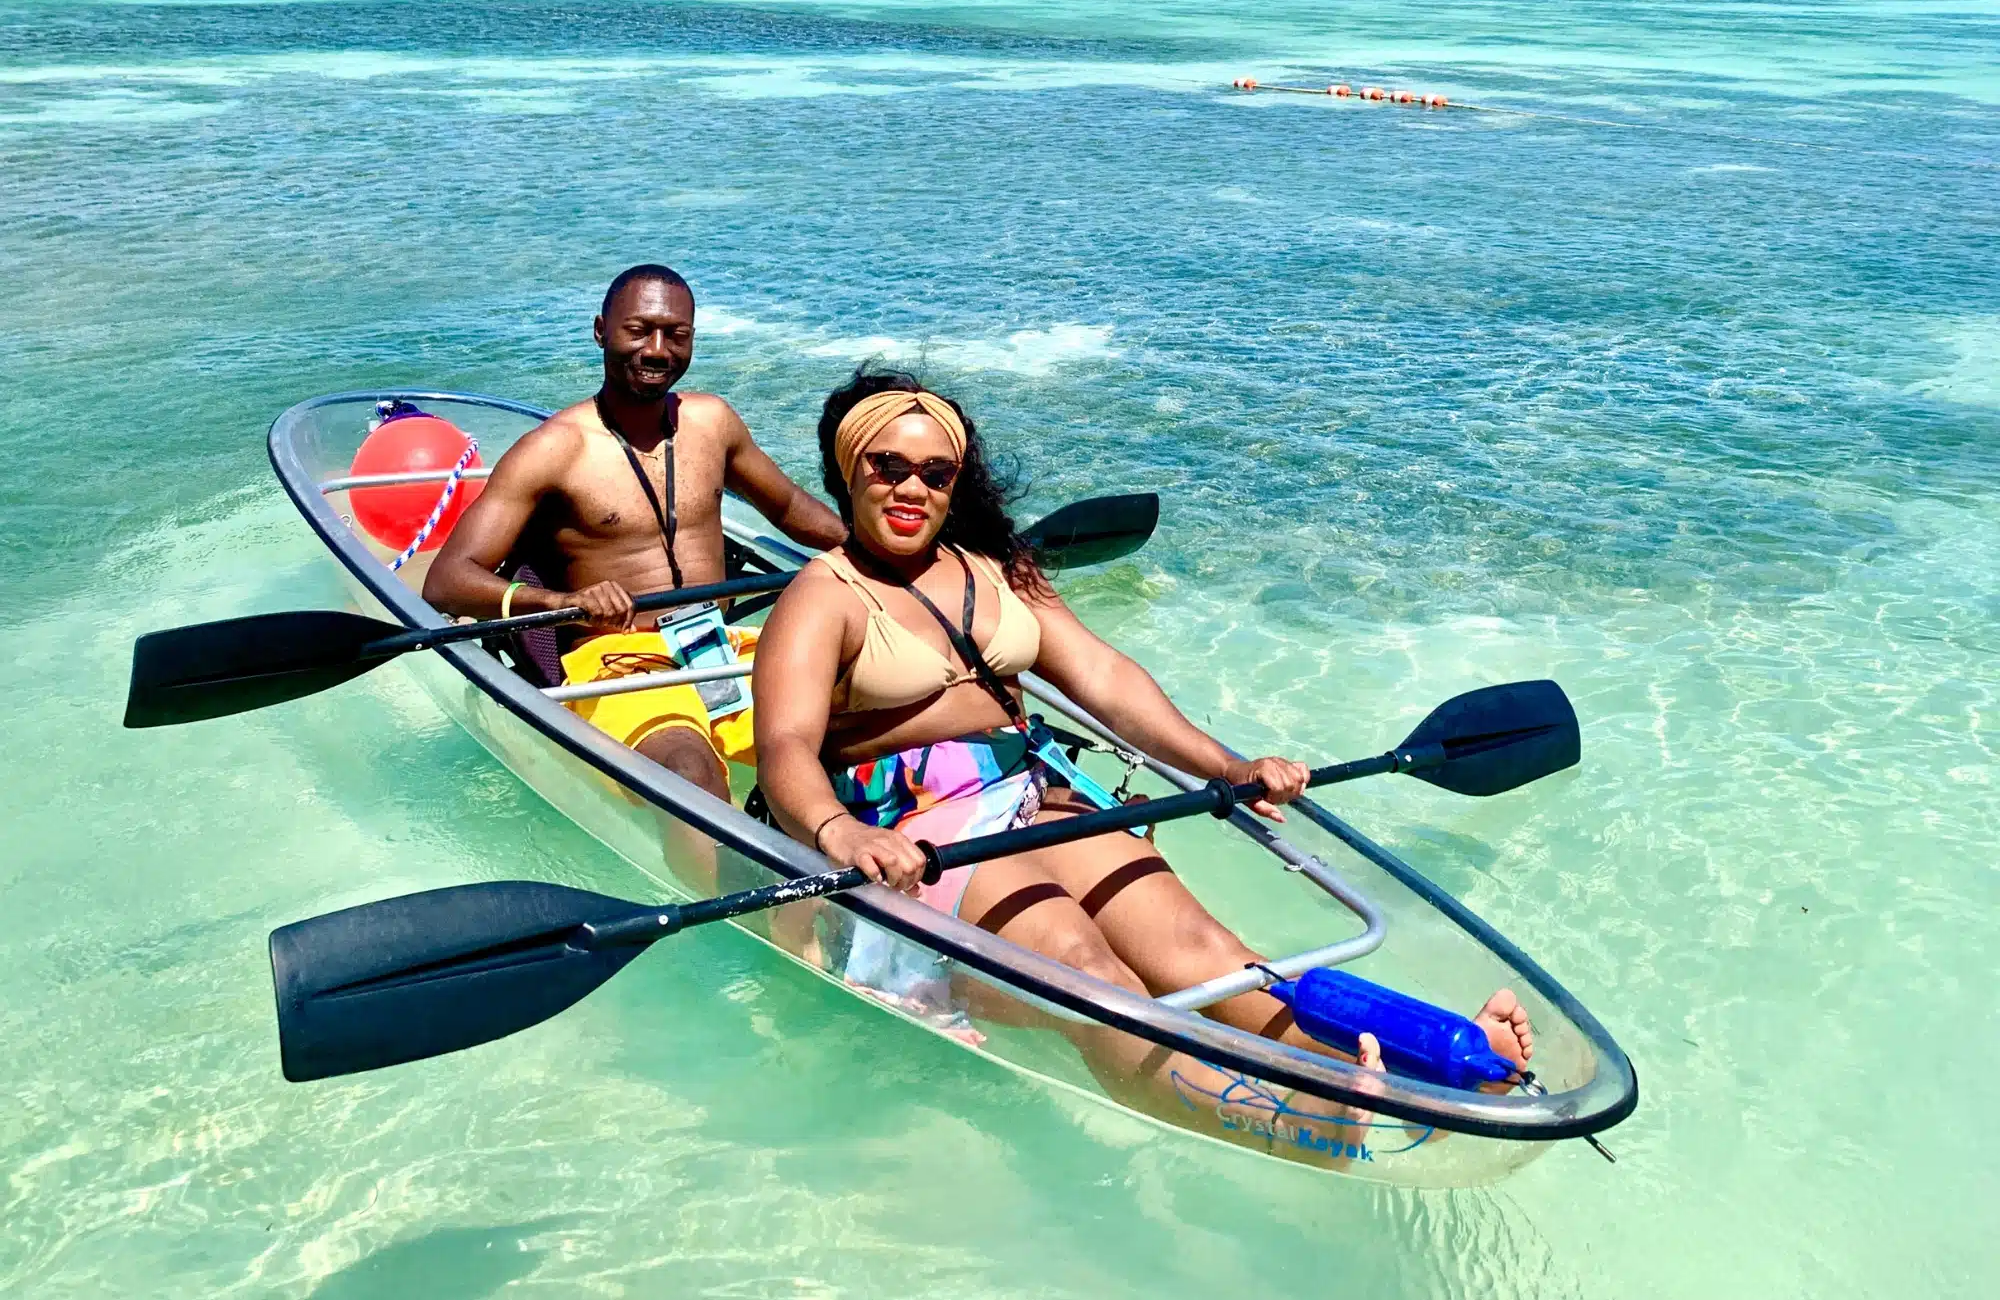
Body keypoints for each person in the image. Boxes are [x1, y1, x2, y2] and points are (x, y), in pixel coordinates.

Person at [751, 368, 1534, 1165]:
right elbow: (782, 745)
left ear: (957, 482)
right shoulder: (822, 598)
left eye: (935, 472)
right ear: (848, 471)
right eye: (887, 466)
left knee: (1205, 949)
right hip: (921, 831)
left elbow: (1108, 681)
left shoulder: (996, 568)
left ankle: (1417, 1072)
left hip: (1030, 793)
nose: (911, 486)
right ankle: (1285, 1125)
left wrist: (1225, 764)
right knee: (1092, 973)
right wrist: (837, 831)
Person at [423, 264, 847, 811]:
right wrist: (561, 603)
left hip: (716, 646)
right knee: (690, 772)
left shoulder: (713, 422)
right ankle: (745, 887)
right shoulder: (555, 449)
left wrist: (891, 554)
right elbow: (447, 579)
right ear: (602, 331)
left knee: (877, 707)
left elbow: (789, 507)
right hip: (620, 661)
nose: (657, 349)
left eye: (677, 334)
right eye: (638, 330)